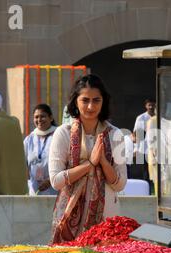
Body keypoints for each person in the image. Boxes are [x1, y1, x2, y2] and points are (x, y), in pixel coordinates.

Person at [49, 74, 127, 244]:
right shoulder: (63, 133)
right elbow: (56, 181)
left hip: (107, 216)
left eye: (96, 100)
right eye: (85, 100)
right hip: (69, 217)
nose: (91, 106)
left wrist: (103, 163)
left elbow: (120, 184)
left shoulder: (115, 135)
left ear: (103, 102)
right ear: (75, 101)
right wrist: (89, 164)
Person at [24, 104, 57, 195]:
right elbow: (23, 165)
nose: (39, 120)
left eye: (43, 116)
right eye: (36, 117)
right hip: (34, 189)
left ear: (51, 118)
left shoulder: (58, 136)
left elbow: (66, 162)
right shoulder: (29, 139)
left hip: (54, 188)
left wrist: (50, 180)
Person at [133, 98, 155, 191]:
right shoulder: (141, 118)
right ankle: (147, 191)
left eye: (153, 105)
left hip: (156, 149)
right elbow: (136, 134)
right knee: (146, 171)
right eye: (149, 105)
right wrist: (135, 149)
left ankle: (156, 192)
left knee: (156, 171)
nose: (151, 107)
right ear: (146, 106)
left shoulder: (159, 117)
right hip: (144, 148)